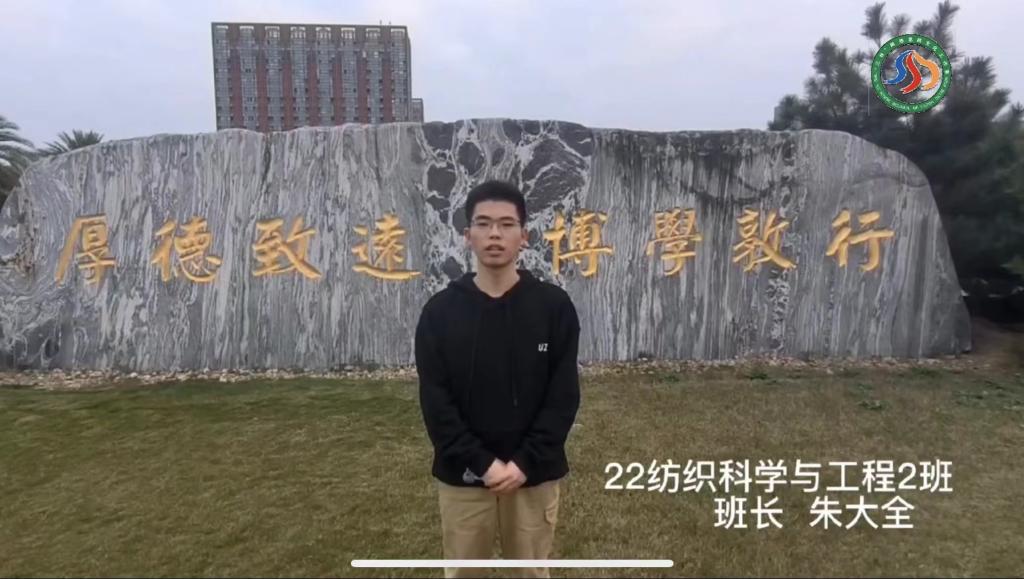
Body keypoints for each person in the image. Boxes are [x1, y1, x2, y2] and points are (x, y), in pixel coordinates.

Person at [415, 180, 582, 579]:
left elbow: (562, 397)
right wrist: (483, 464)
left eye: (507, 224)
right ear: (467, 235)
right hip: (464, 476)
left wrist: (523, 463)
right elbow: (436, 403)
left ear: (524, 236)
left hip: (533, 476)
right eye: (484, 224)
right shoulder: (440, 313)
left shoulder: (553, 308)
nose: (495, 234)